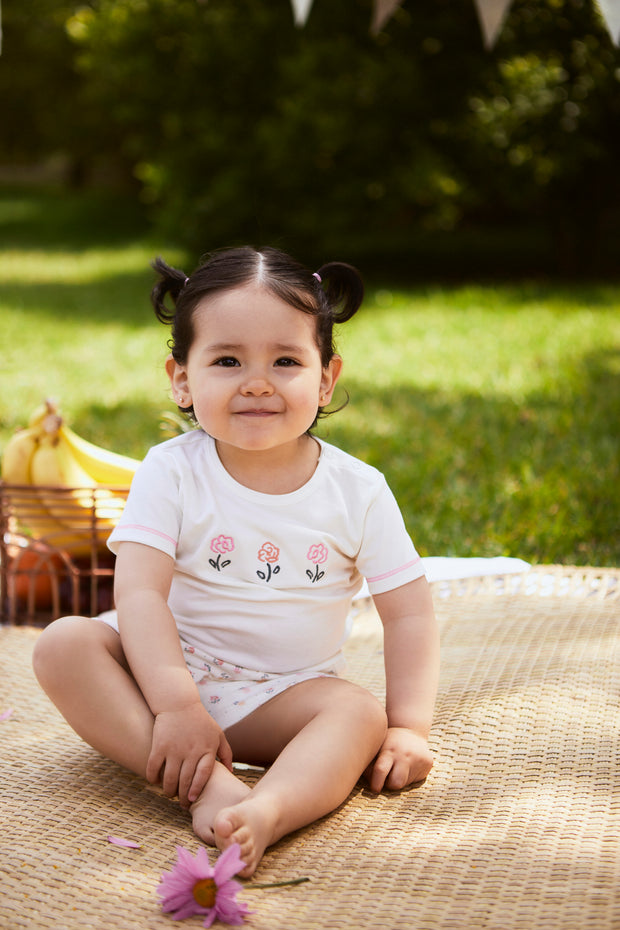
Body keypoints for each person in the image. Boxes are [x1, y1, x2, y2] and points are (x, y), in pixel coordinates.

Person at [33, 246, 439, 878]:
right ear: (182, 380)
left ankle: (270, 809)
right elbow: (139, 595)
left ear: (326, 378)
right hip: (162, 675)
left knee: (357, 713)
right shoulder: (170, 471)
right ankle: (210, 787)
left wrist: (410, 726)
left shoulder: (357, 490)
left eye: (285, 360)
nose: (257, 381)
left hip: (279, 697)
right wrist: (176, 706)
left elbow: (408, 612)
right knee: (63, 645)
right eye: (227, 360)